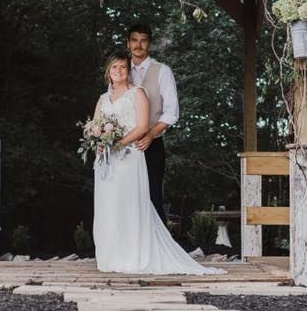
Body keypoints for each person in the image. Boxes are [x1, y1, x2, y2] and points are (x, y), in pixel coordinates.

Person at [91, 52, 222, 275]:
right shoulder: (103, 99)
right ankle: (111, 256)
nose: (118, 71)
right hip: (106, 161)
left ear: (128, 71)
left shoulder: (138, 93)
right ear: (108, 71)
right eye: (114, 67)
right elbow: (96, 126)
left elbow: (143, 126)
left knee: (130, 203)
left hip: (129, 156)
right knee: (109, 205)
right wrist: (100, 145)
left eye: (123, 67)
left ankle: (133, 255)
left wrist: (118, 144)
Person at [127, 24, 178, 225]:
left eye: (143, 40)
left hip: (152, 144)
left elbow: (172, 111)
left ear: (150, 44)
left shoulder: (162, 71)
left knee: (152, 197)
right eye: (134, 40)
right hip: (125, 146)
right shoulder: (120, 70)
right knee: (127, 199)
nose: (138, 45)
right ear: (128, 43)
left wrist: (151, 134)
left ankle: (160, 242)